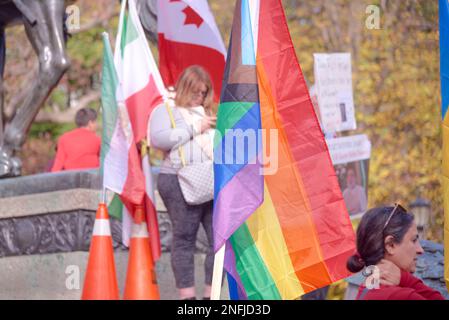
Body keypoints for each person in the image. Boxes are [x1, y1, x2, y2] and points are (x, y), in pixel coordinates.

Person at [149, 66, 216, 300]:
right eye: (196, 92)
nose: (199, 97)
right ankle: (187, 298)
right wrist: (195, 128)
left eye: (203, 93)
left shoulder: (208, 114)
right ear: (185, 88)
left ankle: (211, 295)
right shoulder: (166, 110)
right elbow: (158, 138)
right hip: (177, 180)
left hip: (210, 181)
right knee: (185, 236)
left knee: (220, 238)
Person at [346, 204, 445, 300]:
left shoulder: (365, 289)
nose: (420, 250)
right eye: (414, 240)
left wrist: (403, 278)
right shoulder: (402, 296)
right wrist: (406, 279)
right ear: (390, 245)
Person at [51, 107, 101, 172]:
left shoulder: (64, 138)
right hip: (92, 178)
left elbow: (58, 164)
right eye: (95, 122)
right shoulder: (97, 139)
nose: (97, 125)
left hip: (71, 179)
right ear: (90, 123)